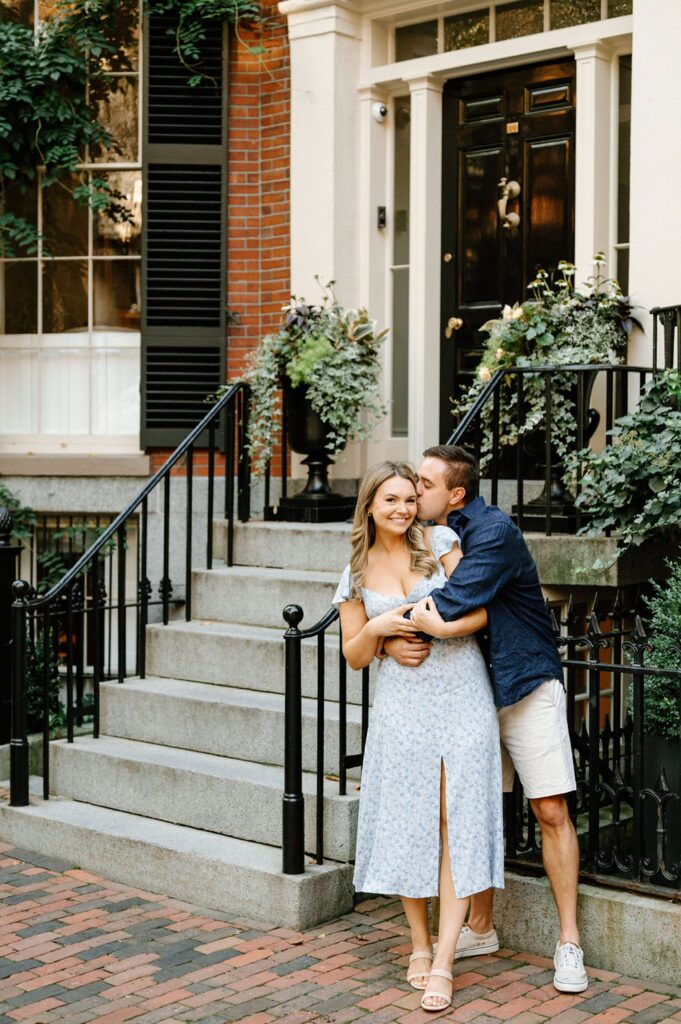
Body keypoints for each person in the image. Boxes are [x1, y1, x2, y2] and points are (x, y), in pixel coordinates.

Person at [384, 444, 588, 995]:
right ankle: (481, 927)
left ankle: (569, 941)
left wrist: (395, 626)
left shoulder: (492, 532)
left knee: (549, 808)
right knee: (469, 811)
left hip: (522, 684)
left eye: (423, 483)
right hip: (467, 697)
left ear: (455, 494)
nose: (412, 488)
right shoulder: (422, 533)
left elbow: (449, 605)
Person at [333, 461, 504, 1011]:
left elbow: (479, 612)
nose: (404, 509)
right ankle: (419, 944)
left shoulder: (441, 541)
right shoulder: (355, 572)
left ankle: (447, 959)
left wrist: (437, 628)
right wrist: (380, 633)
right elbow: (353, 655)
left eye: (410, 498)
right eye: (391, 501)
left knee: (457, 819)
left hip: (461, 693)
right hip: (403, 707)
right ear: (370, 506)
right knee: (414, 819)